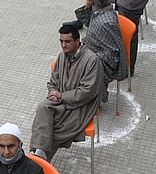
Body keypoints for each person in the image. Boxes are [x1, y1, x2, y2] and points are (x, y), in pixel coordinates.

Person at [29, 23, 104, 161]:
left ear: (77, 41)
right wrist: (53, 92)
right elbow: (53, 82)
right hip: (60, 102)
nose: (64, 45)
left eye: (67, 42)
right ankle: (39, 155)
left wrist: (61, 96)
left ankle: (40, 160)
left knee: (53, 130)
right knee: (42, 109)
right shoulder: (62, 56)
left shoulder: (92, 60)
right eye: (61, 41)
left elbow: (87, 92)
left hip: (81, 106)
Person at [81, 0, 128, 102]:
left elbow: (113, 52)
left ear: (95, 3)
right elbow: (87, 22)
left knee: (82, 69)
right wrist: (87, 7)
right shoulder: (100, 12)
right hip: (92, 50)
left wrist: (92, 58)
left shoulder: (107, 22)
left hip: (104, 61)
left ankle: (94, 98)